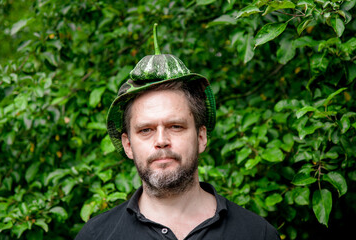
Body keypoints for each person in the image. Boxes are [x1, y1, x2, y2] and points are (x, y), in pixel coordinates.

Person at [75, 24, 280, 240]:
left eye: (176, 126)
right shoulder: (96, 236)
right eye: (146, 130)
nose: (161, 141)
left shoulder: (257, 234)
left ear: (201, 137)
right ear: (128, 145)